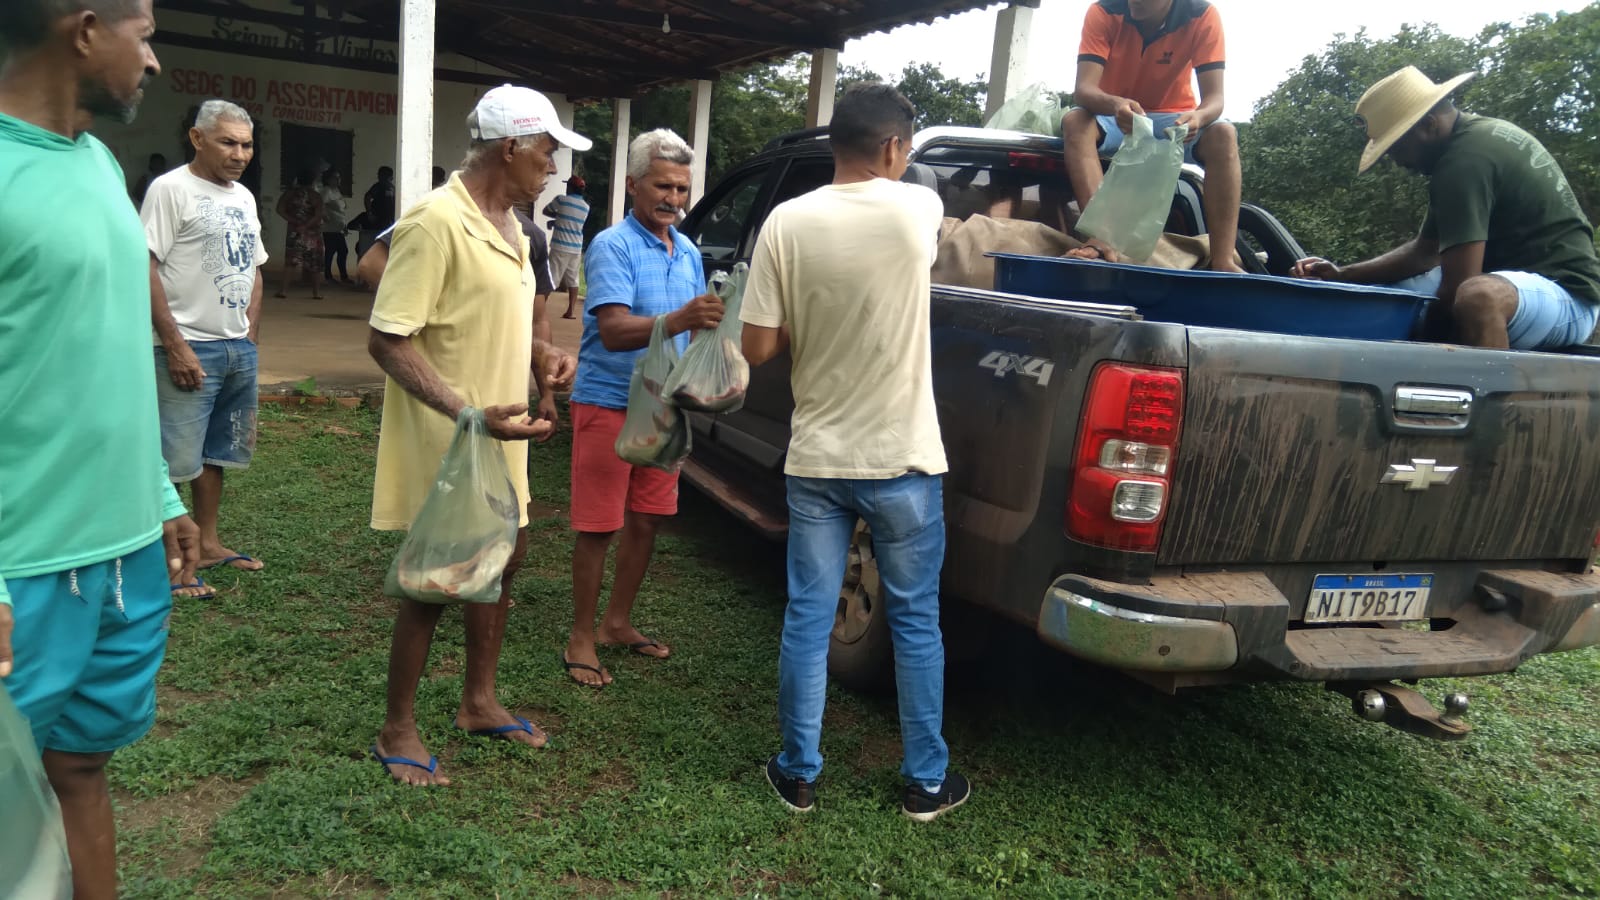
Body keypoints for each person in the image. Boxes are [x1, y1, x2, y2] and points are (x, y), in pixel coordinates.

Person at [0, 2, 203, 897]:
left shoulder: (97, 163)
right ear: (85, 30)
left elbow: (106, 349)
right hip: (24, 567)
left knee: (81, 769)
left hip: (122, 554)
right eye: (145, 34)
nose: (152, 61)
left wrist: (159, 493)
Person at [739, 83, 969, 822]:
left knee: (808, 616)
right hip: (903, 458)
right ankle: (925, 783)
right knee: (914, 621)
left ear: (835, 142)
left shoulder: (785, 223)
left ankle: (798, 773)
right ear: (896, 149)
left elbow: (758, 347)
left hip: (817, 460)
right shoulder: (918, 209)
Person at [368, 85, 591, 786]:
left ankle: (479, 701)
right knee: (436, 582)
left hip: (502, 434)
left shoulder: (516, 227)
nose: (552, 167)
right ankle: (396, 727)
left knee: (508, 554)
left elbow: (511, 321)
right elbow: (387, 340)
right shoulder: (437, 222)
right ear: (511, 148)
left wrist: (541, 357)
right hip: (453, 436)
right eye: (548, 151)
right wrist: (465, 410)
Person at [563, 129, 724, 688]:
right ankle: (581, 636)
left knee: (648, 520)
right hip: (609, 402)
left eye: (681, 189)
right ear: (632, 184)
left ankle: (617, 622)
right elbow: (611, 330)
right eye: (662, 186)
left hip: (665, 408)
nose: (673, 199)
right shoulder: (613, 245)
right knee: (598, 526)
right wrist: (680, 319)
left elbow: (693, 332)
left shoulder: (689, 253)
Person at [1291, 67, 1600, 350]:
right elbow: (1424, 252)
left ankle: (1491, 406)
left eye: (1396, 146)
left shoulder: (1464, 162)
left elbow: (1457, 287)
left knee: (1477, 297)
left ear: (1427, 125)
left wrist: (1420, 355)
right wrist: (1343, 276)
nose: (1396, 161)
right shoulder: (1462, 147)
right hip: (1519, 286)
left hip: (1569, 297)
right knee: (1387, 299)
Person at [142, 99, 269, 591]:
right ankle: (171, 561)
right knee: (175, 458)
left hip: (236, 349)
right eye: (228, 142)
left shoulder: (243, 197)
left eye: (247, 144)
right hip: (188, 347)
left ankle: (210, 543)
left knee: (217, 453)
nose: (240, 154)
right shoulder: (171, 189)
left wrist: (249, 335)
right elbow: (145, 265)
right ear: (197, 139)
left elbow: (255, 268)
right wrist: (174, 344)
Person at [1059, 0, 1243, 272]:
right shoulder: (1104, 10)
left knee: (1224, 133)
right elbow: (1084, 89)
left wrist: (1199, 117)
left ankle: (1224, 260)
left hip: (1175, 117)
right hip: (1115, 114)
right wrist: (1115, 105)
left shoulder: (1201, 15)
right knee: (1075, 121)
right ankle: (1101, 239)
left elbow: (1215, 98)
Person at [544, 174, 590, 318]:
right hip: (576, 247)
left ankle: (538, 310)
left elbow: (545, 211)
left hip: (560, 246)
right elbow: (572, 221)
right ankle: (570, 311)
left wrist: (556, 219)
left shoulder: (561, 200)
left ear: (570, 187)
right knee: (573, 279)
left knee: (550, 277)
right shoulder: (585, 207)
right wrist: (559, 220)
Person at [275, 168, 325, 298]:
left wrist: (294, 221)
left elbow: (279, 209)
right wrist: (306, 225)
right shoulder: (315, 195)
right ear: (313, 180)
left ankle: (283, 291)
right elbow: (318, 215)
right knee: (315, 263)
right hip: (312, 233)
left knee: (291, 261)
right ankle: (316, 292)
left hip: (294, 230)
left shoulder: (290, 194)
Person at [515, 199, 558, 343]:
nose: (550, 175)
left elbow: (538, 320)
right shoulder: (448, 220)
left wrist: (546, 357)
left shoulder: (532, 235)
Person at [319, 168, 351, 284]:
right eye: (335, 178)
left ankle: (343, 276)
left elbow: (341, 211)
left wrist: (344, 225)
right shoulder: (326, 191)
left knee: (343, 251)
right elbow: (319, 205)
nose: (338, 180)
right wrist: (324, 217)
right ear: (328, 179)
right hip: (329, 228)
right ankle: (328, 276)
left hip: (338, 227)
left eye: (339, 177)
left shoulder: (337, 191)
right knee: (331, 251)